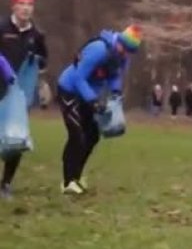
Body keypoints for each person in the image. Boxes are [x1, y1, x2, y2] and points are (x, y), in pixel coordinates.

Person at [57, 25, 142, 194]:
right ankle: (67, 181)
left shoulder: (122, 56)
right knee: (77, 135)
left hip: (89, 95)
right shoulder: (98, 49)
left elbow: (114, 75)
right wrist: (93, 101)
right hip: (70, 90)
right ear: (119, 41)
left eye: (129, 52)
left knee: (93, 136)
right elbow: (79, 78)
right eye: (124, 49)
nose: (125, 53)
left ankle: (77, 177)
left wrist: (116, 93)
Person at [0, 0, 48, 199]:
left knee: (17, 139)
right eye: (22, 4)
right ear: (14, 6)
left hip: (18, 96)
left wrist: (41, 77)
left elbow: (42, 61)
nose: (26, 9)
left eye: (30, 5)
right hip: (0, 87)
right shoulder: (2, 27)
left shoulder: (36, 35)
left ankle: (6, 184)